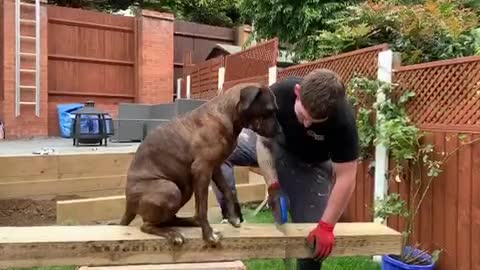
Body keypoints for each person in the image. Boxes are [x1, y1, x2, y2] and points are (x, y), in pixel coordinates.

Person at [213, 68, 359, 270]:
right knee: (215, 152)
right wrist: (273, 186)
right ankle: (230, 215)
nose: (307, 125)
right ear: (297, 92)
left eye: (314, 121)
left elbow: (346, 177)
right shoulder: (279, 93)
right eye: (303, 115)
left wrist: (326, 226)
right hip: (274, 145)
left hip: (311, 165)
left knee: (312, 249)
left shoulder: (343, 122)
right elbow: (263, 142)